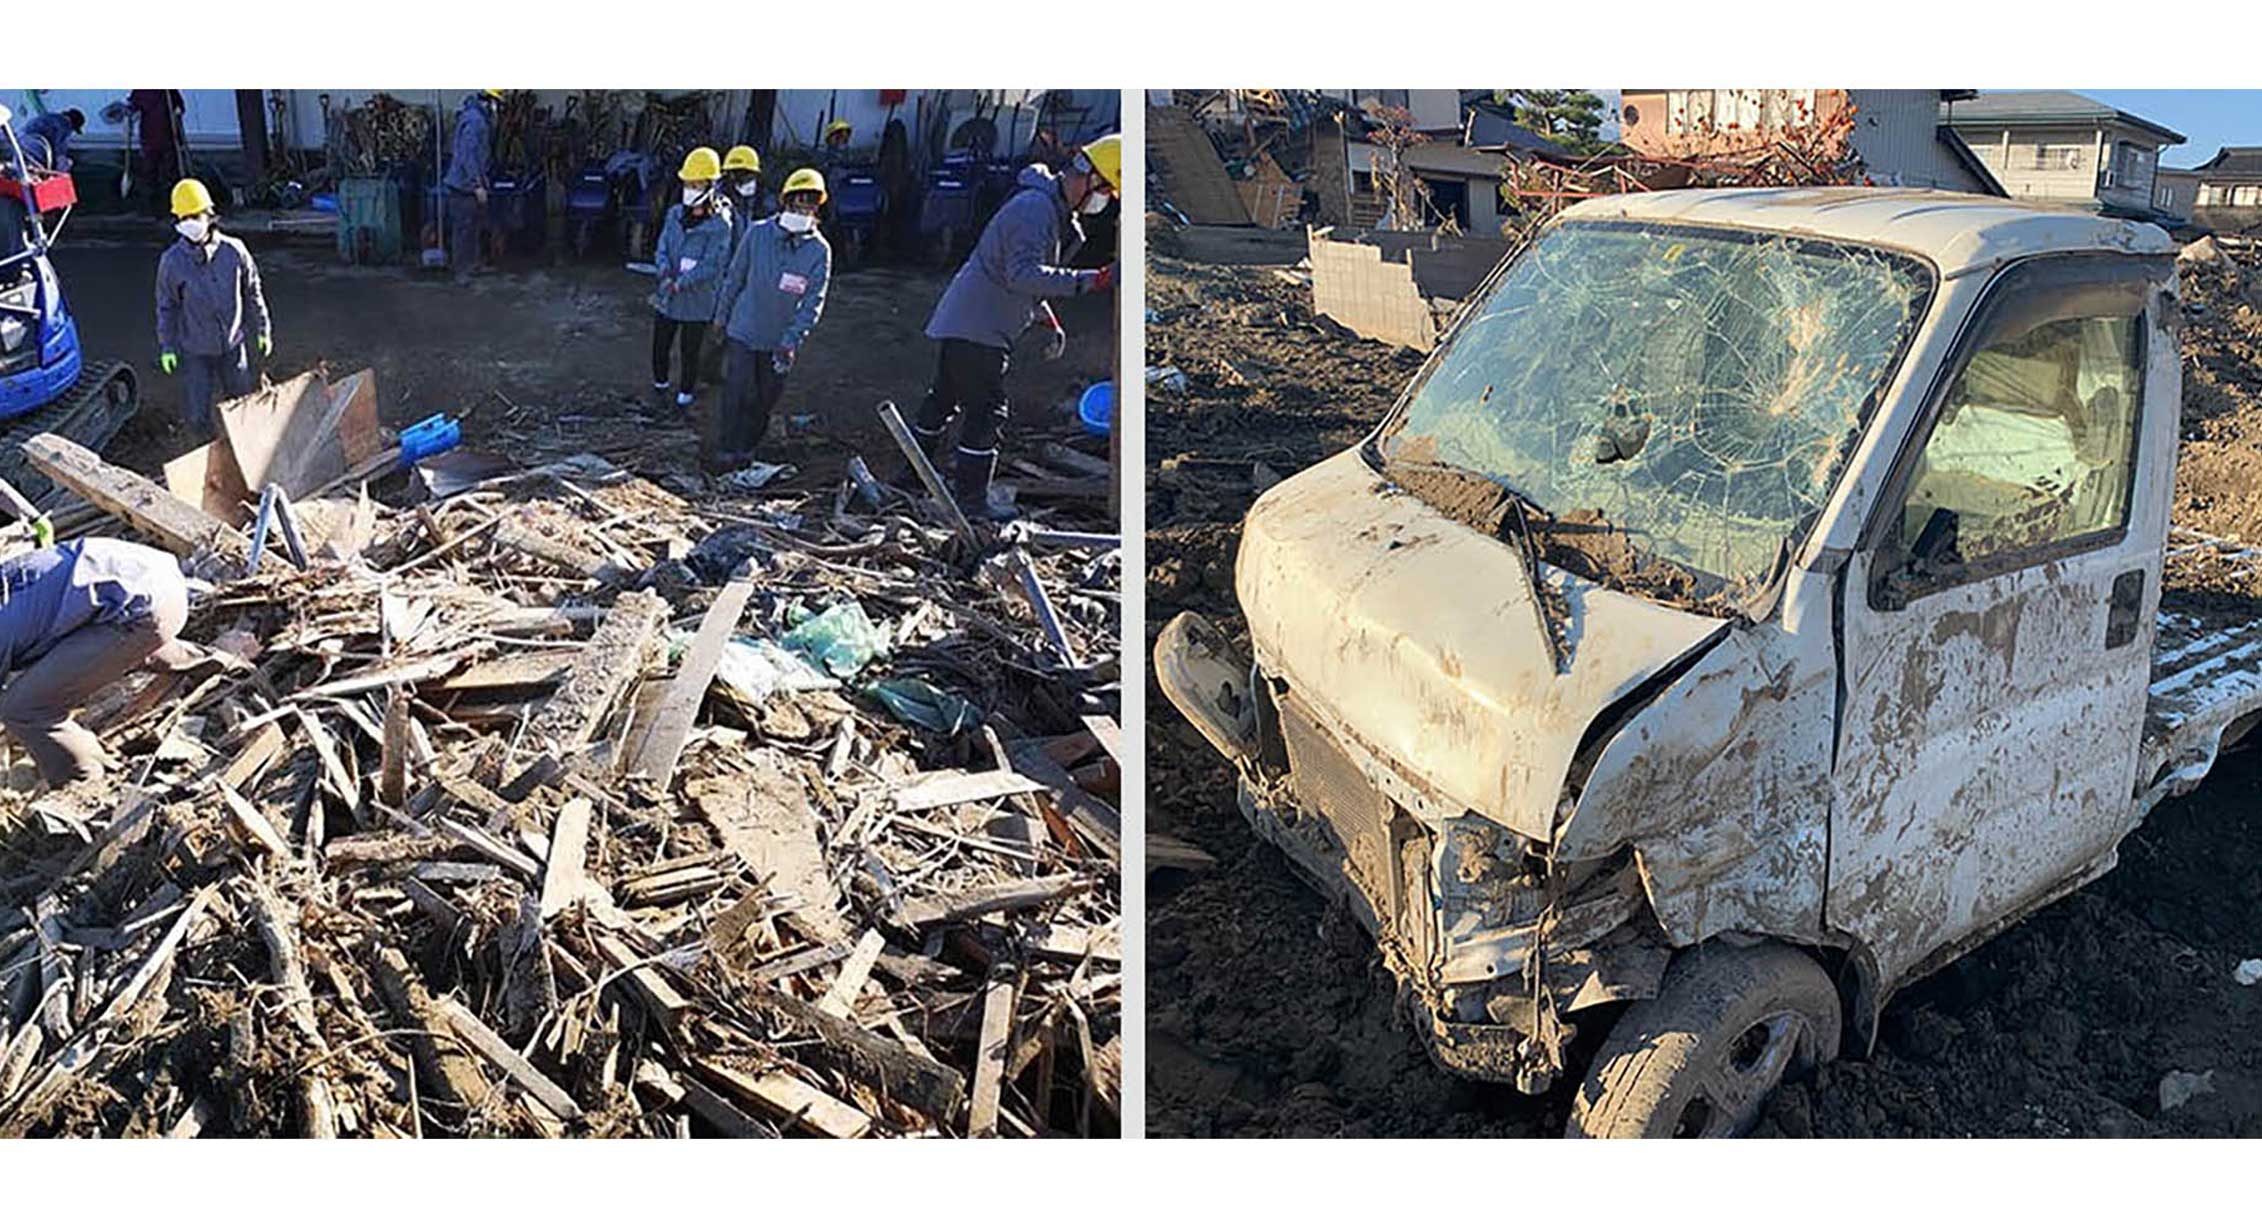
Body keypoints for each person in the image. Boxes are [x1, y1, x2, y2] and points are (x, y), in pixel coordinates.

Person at [908, 134, 1118, 515]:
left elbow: (1020, 276)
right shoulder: (1035, 210)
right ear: (1092, 179)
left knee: (943, 399)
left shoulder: (1047, 210)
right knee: (987, 410)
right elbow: (1022, 273)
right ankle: (971, 502)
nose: (1105, 202)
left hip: (971, 319)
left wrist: (1046, 317)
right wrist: (1095, 279)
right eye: (1107, 192)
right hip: (980, 325)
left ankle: (909, 478)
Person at [0, 537, 196, 789]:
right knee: (82, 639)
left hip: (142, 613)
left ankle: (82, 784)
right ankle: (215, 663)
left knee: (23, 709)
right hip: (155, 577)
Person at [710, 168, 831, 474]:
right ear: (784, 202)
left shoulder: (819, 251)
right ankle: (726, 449)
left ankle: (747, 449)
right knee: (737, 392)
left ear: (816, 209)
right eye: (797, 203)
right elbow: (735, 277)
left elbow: (813, 301)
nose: (802, 210)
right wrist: (720, 318)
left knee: (763, 400)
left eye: (809, 205)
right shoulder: (757, 233)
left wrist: (791, 340)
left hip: (780, 341)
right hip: (743, 330)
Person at [155, 178, 271, 438]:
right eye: (183, 218)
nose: (189, 223)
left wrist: (263, 329)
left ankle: (246, 453)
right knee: (198, 417)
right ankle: (210, 461)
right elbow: (167, 307)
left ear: (209, 215)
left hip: (232, 347)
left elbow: (253, 292)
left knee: (242, 408)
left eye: (194, 216)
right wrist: (167, 346)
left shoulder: (234, 251)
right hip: (196, 352)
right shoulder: (171, 263)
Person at [649, 147, 733, 408]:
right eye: (688, 183)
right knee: (660, 343)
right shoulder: (675, 214)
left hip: (697, 298)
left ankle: (685, 393)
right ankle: (660, 385)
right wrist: (663, 271)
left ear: (711, 186)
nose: (691, 189)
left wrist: (681, 283)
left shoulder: (721, 225)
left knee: (690, 349)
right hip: (668, 293)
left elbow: (712, 265)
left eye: (697, 184)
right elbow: (662, 245)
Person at [442, 90, 501, 280]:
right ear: (489, 102)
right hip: (463, 186)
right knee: (464, 229)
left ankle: (472, 264)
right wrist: (477, 185)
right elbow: (469, 156)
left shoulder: (472, 117)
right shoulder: (476, 122)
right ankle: (462, 270)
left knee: (473, 227)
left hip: (464, 183)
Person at [126, 90, 184, 216]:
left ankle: (171, 203)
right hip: (150, 138)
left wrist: (178, 112)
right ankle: (152, 205)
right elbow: (132, 108)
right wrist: (129, 112)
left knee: (169, 171)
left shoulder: (168, 91)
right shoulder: (141, 90)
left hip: (167, 136)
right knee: (150, 172)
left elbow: (179, 107)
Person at [19, 108, 83, 173]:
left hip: (19, 141)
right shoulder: (65, 125)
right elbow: (58, 150)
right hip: (35, 146)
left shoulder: (49, 116)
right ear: (73, 124)